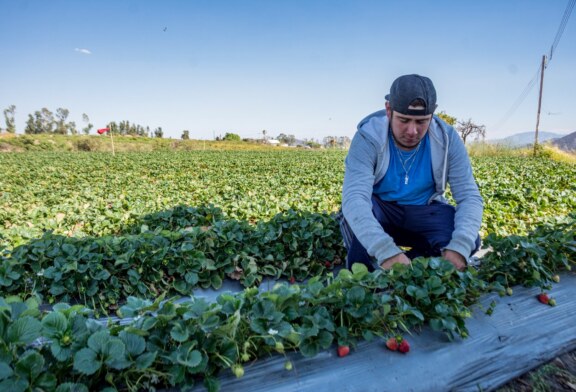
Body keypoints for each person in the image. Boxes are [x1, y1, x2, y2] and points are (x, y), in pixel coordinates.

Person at [339, 74, 483, 272]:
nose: (412, 131)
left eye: (421, 121)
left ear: (432, 115)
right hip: (382, 212)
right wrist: (384, 249)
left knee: (470, 240)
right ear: (389, 110)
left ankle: (411, 263)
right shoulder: (368, 138)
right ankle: (365, 277)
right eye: (404, 120)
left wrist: (460, 247)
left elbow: (469, 197)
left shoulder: (447, 139)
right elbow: (354, 197)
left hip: (422, 211)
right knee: (356, 217)